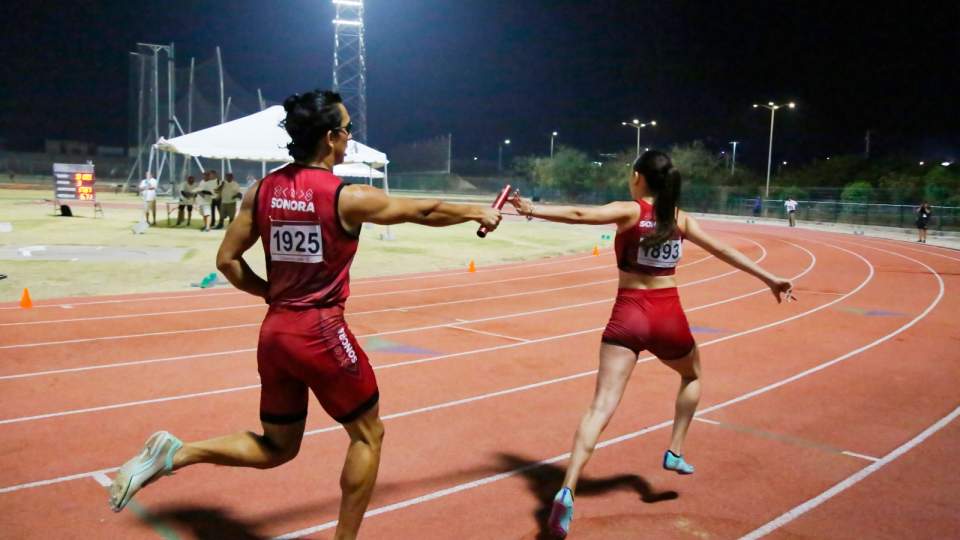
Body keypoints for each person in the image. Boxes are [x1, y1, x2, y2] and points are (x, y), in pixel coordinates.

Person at [107, 89, 502, 540]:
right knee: (368, 436)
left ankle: (177, 454)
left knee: (277, 447)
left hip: (275, 333)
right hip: (320, 332)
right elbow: (422, 209)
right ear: (332, 137)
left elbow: (227, 262)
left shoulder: (262, 191)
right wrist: (476, 210)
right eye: (348, 129)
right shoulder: (345, 196)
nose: (351, 137)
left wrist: (272, 295)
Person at [509, 150, 794, 538]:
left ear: (639, 177)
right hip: (667, 316)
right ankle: (675, 451)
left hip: (627, 314)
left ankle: (568, 489)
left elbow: (579, 216)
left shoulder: (629, 211)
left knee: (600, 406)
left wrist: (530, 210)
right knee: (692, 376)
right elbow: (724, 251)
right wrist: (770, 278)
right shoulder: (678, 219)